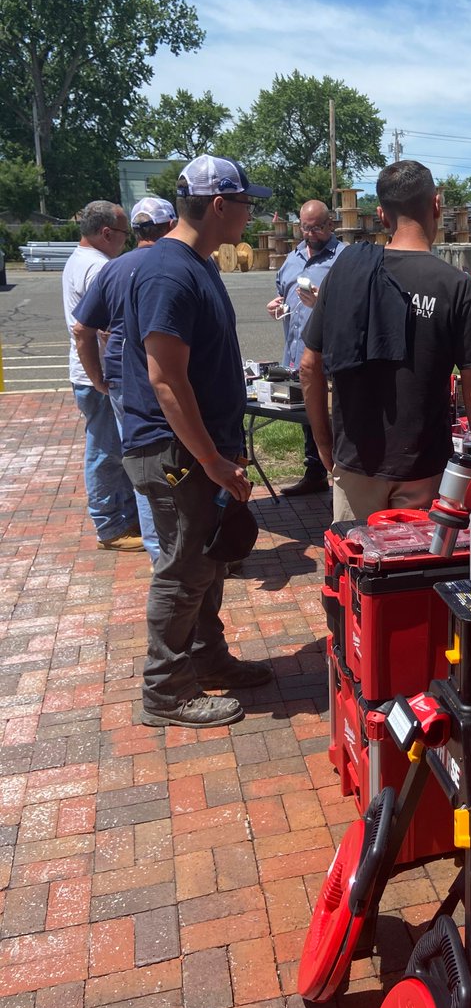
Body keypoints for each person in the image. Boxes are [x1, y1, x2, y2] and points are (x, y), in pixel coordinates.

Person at [120, 155, 275, 729]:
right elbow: (165, 377)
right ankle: (165, 691)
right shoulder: (169, 272)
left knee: (208, 565)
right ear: (219, 206)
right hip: (177, 454)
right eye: (245, 203)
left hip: (201, 451)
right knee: (183, 572)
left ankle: (208, 658)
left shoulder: (199, 264)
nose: (251, 214)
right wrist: (210, 459)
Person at [300, 159, 471, 522]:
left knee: (356, 572)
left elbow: (309, 367)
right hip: (423, 468)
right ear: (436, 204)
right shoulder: (457, 286)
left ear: (381, 214)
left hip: (355, 462)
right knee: (414, 574)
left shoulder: (345, 272)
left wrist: (324, 444)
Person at [72, 196, 177, 564]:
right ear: (169, 226)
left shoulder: (113, 268)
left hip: (119, 378)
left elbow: (82, 327)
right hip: (158, 377)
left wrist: (98, 377)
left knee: (139, 459)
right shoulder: (175, 263)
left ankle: (158, 549)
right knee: (171, 461)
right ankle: (173, 546)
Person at [62, 200, 143, 551]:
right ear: (106, 232)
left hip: (91, 373)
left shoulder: (79, 260)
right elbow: (103, 331)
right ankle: (111, 525)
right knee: (107, 452)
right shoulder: (99, 268)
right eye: (125, 234)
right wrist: (99, 378)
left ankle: (122, 515)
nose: (126, 241)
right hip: (100, 376)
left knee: (109, 448)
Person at [265, 199, 344, 497]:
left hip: (330, 359)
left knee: (331, 420)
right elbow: (281, 292)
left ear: (331, 224)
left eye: (317, 228)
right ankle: (314, 473)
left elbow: (355, 306)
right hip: (297, 356)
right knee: (307, 419)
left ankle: (341, 477)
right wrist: (275, 305)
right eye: (304, 227)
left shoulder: (343, 258)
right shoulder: (293, 256)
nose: (309, 234)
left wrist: (322, 300)